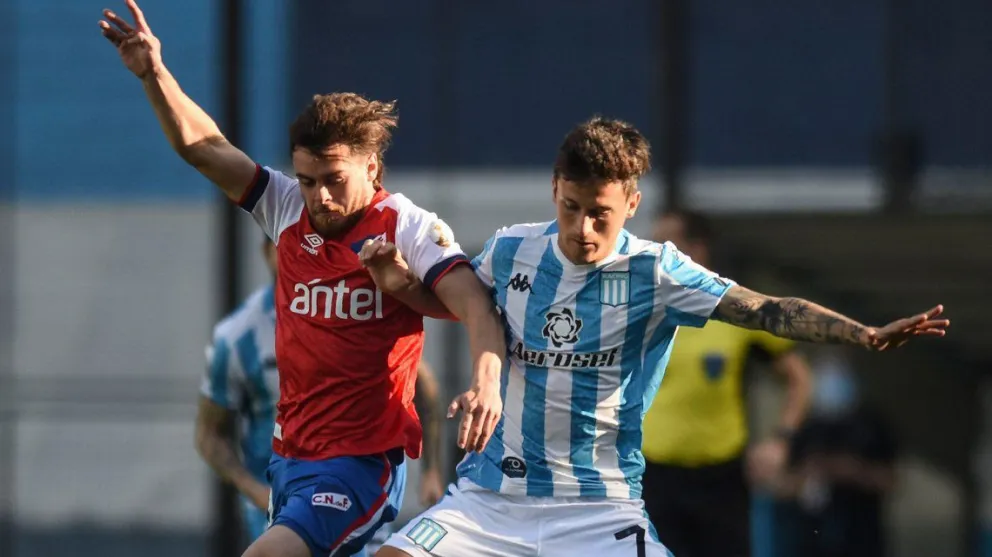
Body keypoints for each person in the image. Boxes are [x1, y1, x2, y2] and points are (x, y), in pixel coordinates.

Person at [358, 116, 948, 557]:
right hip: (489, 500)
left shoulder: (658, 271)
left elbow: (767, 310)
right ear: (554, 187)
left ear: (632, 203)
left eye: (601, 214)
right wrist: (399, 282)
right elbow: (453, 304)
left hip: (597, 511)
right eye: (570, 207)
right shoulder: (513, 247)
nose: (583, 229)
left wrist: (862, 333)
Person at [98, 3, 505, 557]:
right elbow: (205, 148)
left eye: (334, 180)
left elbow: (475, 306)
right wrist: (155, 74)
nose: (321, 197)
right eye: (309, 180)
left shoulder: (407, 226)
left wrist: (487, 383)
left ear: (373, 170)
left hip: (360, 464)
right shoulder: (287, 208)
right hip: (289, 458)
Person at [195, 242, 448, 550]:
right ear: (268, 251)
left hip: (353, 481)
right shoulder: (237, 336)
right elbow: (209, 434)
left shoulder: (351, 307)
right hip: (282, 495)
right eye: (289, 245)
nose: (305, 254)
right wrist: (254, 489)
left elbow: (421, 382)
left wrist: (431, 470)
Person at [640, 210, 813, 557]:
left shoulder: (733, 312)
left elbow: (799, 379)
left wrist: (780, 442)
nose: (654, 254)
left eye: (665, 244)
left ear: (696, 250)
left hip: (720, 474)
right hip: (652, 473)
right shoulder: (641, 311)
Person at [772, 351, 897, 557]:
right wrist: (809, 475)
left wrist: (853, 471)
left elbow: (892, 481)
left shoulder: (871, 425)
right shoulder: (805, 427)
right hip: (812, 541)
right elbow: (780, 485)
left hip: (862, 541)